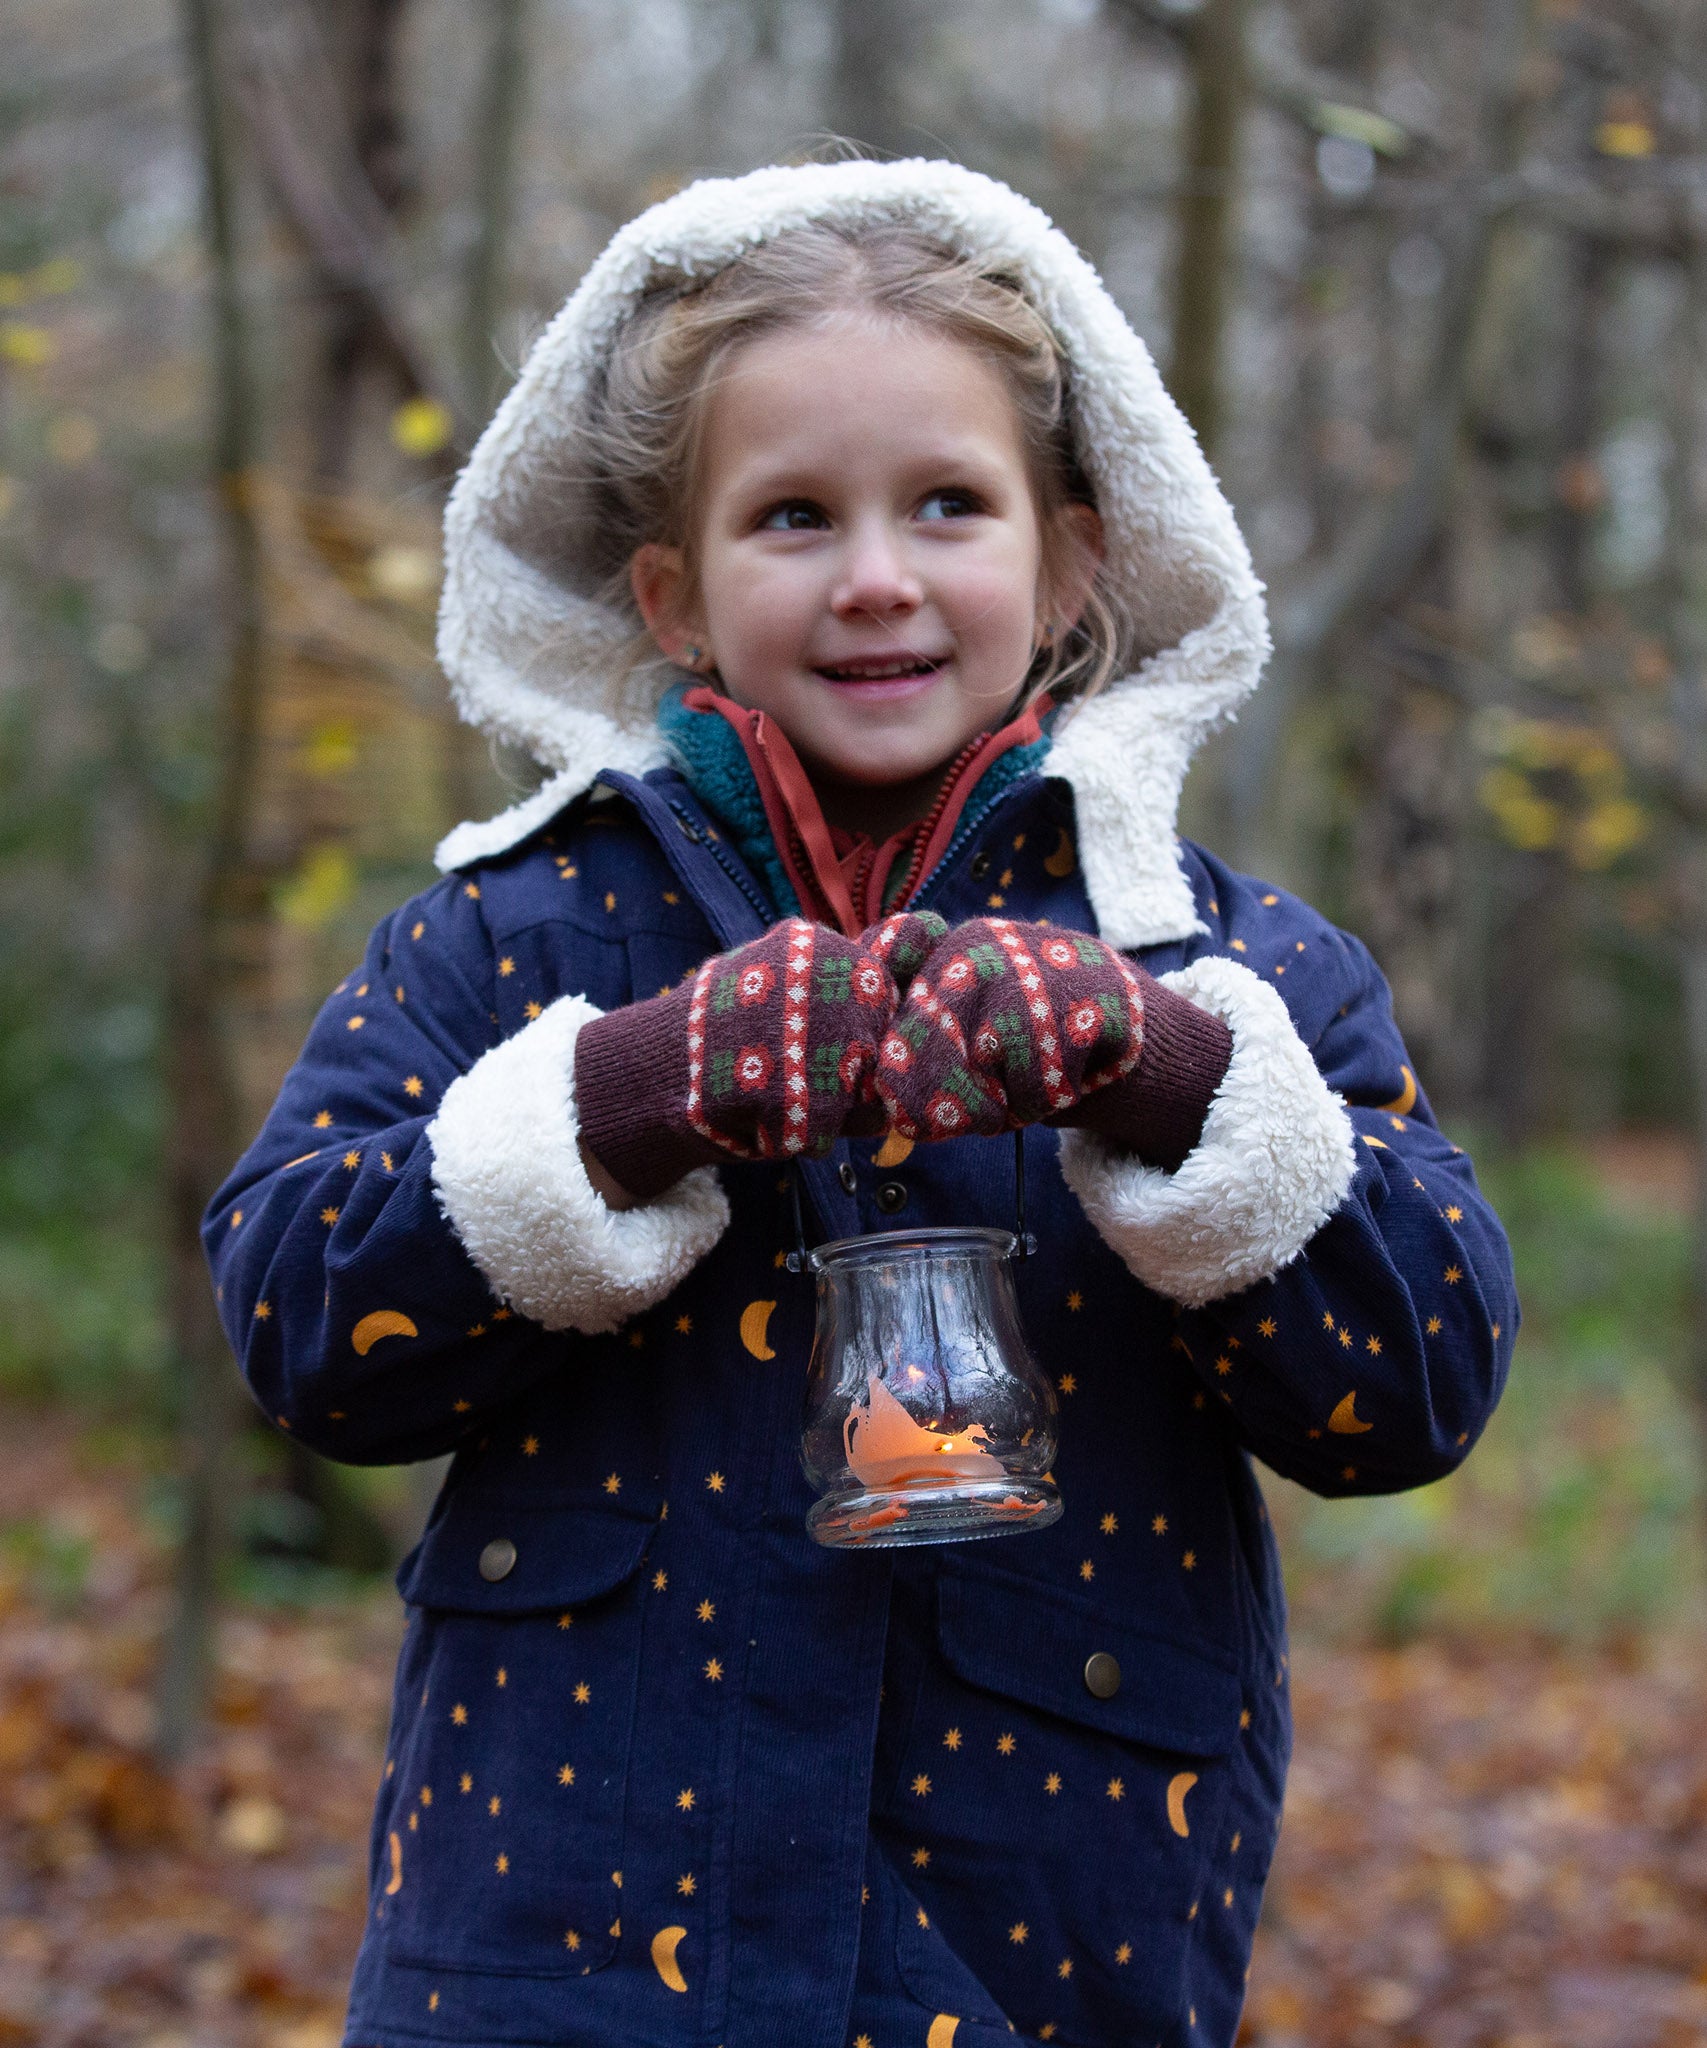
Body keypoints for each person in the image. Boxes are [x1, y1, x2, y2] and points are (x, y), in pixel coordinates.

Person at [204, 159, 1517, 2048]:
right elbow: (294, 1321)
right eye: (794, 515)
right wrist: (624, 1098)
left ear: (1073, 557)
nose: (877, 575)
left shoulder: (1215, 957)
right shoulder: (517, 932)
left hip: (1040, 1947)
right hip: (557, 1954)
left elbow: (1422, 1378)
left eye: (950, 506)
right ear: (674, 591)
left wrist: (1166, 1075)